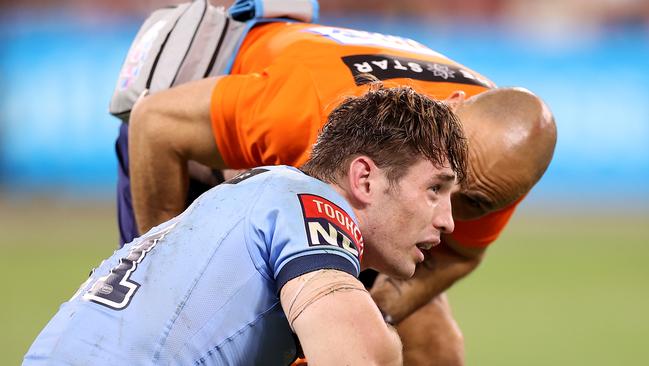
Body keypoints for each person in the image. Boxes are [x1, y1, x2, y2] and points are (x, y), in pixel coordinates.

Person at [124, 20, 557, 365]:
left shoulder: (501, 160)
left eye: (471, 202)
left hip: (339, 191)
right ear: (452, 108)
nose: (450, 214)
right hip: (205, 154)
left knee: (432, 348)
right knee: (216, 335)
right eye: (443, 184)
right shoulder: (308, 106)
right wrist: (169, 279)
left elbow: (458, 255)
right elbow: (154, 124)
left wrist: (368, 318)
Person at [24, 85, 467, 365]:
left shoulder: (244, 198)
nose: (448, 220)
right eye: (435, 189)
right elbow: (361, 355)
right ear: (364, 178)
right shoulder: (315, 207)